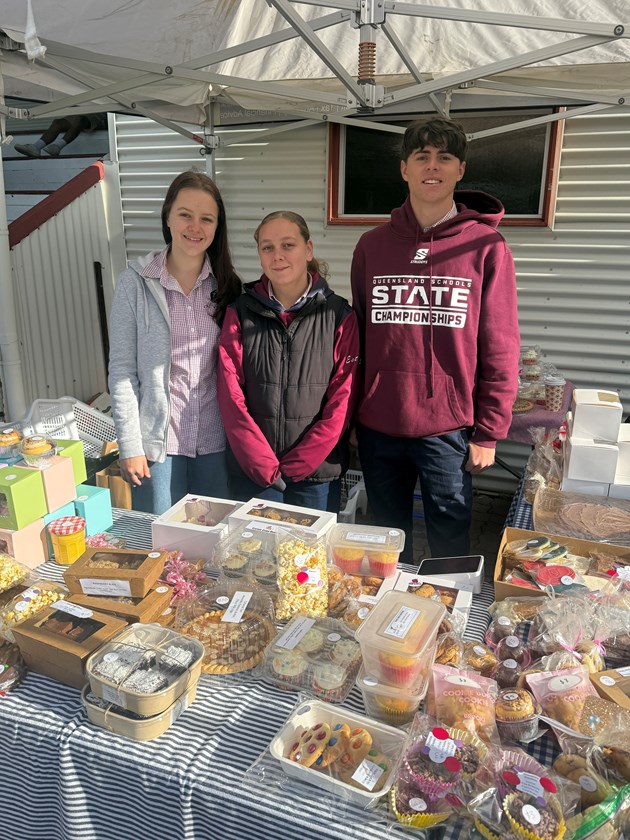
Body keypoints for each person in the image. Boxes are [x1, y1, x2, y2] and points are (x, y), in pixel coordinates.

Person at [350, 116, 520, 563]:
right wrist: (352, 415)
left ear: (460, 170)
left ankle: (449, 626)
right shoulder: (372, 245)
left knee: (449, 542)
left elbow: (500, 345)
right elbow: (359, 340)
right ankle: (388, 623)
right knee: (387, 544)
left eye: (444, 157)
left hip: (448, 430)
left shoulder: (485, 247)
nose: (432, 166)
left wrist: (489, 431)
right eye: (421, 156)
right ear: (404, 169)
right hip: (379, 424)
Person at [108, 170, 241, 515]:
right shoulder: (134, 283)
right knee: (159, 547)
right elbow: (122, 371)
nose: (195, 227)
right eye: (185, 214)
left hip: (214, 442)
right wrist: (129, 444)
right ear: (168, 216)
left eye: (206, 218)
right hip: (157, 445)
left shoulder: (227, 287)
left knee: (212, 547)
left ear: (216, 227)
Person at [217, 211, 359, 513]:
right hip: (254, 473)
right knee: (257, 555)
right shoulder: (240, 312)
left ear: (308, 250)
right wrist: (258, 460)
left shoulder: (338, 315)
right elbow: (230, 392)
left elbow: (342, 398)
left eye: (288, 245)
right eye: (267, 247)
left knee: (309, 557)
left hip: (316, 473)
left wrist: (302, 461)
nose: (277, 255)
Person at [14, 113, 107, 158]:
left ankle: (58, 146)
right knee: (58, 123)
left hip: (98, 112)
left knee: (80, 119)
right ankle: (36, 147)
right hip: (81, 110)